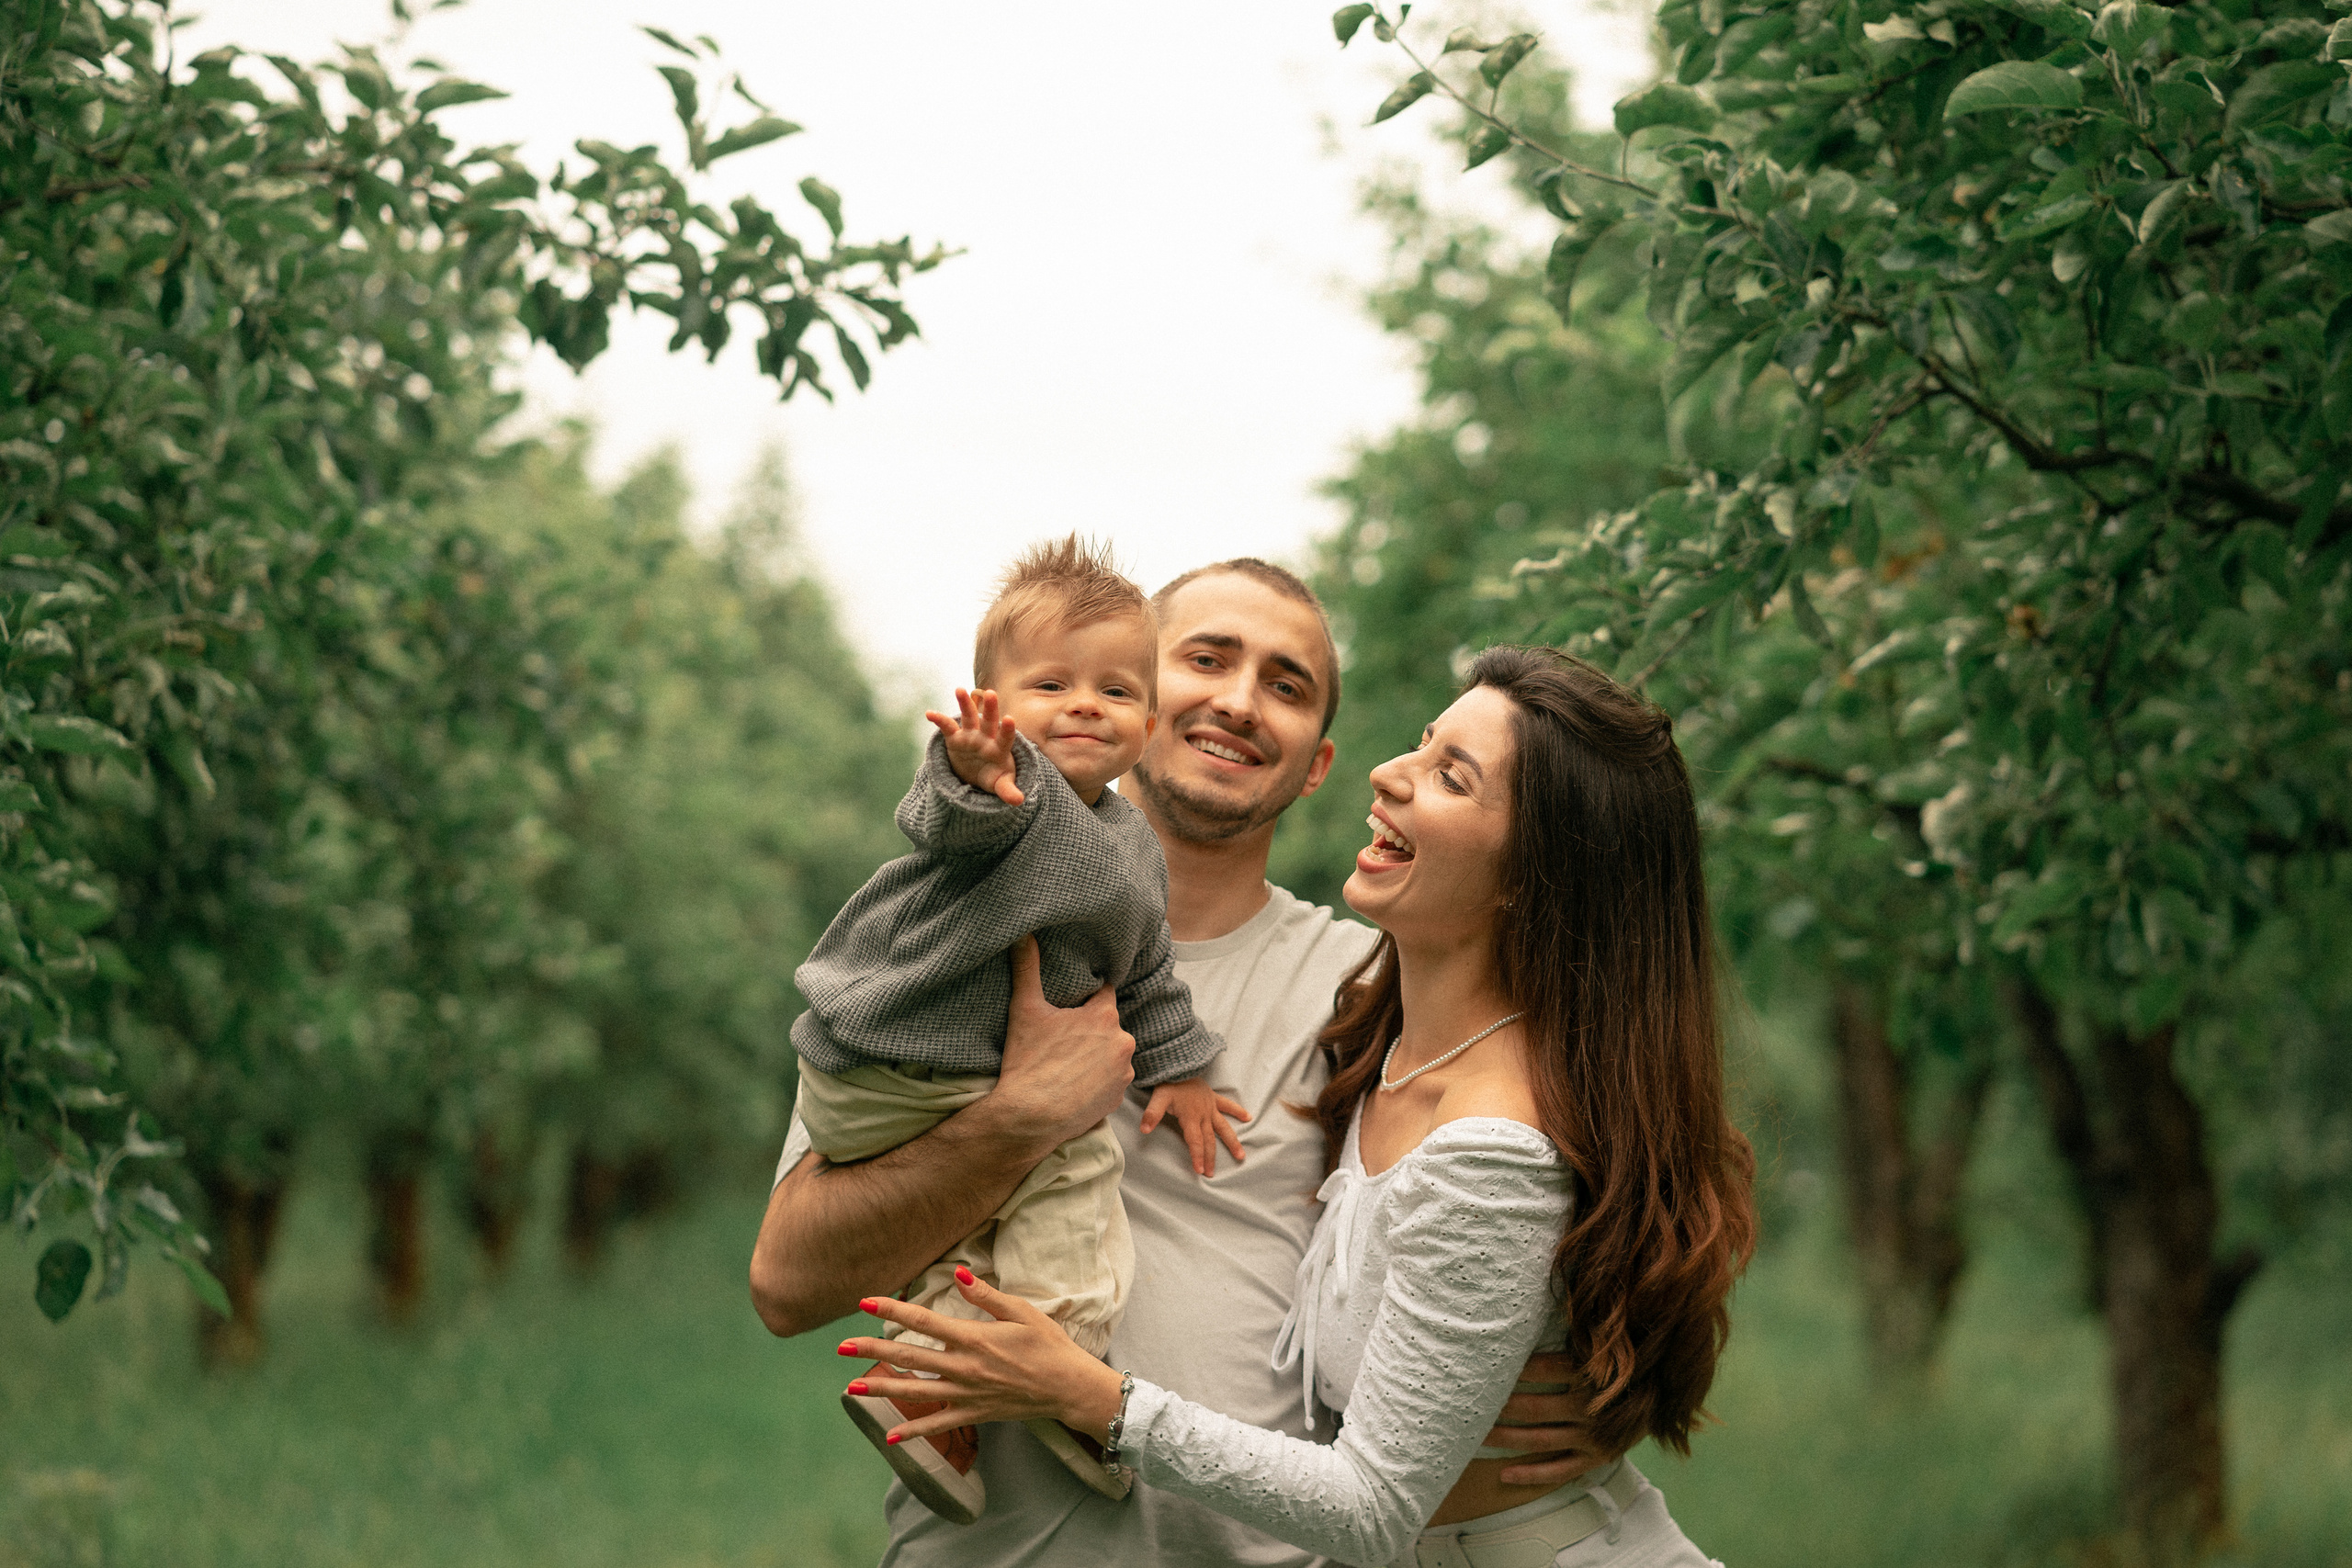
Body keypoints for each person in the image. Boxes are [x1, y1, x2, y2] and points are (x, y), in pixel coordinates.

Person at [752, 564, 1610, 1567]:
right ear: (1134, 698)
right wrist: (1021, 1117)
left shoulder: (1373, 988)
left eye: (1285, 686)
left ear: (1317, 762)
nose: (1240, 701)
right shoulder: (954, 934)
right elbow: (787, 1280)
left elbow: (1558, 1191)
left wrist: (1621, 1388)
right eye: (1205, 660)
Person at [794, 536, 1247, 1518]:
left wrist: (1184, 1069)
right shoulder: (1014, 794)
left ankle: (939, 1385)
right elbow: (949, 825)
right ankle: (1062, 1378)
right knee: (1076, 1183)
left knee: (982, 1225)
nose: (1086, 704)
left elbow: (1149, 973)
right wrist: (970, 770)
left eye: (1117, 691)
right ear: (988, 702)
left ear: (1150, 721)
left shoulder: (1130, 845)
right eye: (1050, 683)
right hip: (914, 1066)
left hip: (884, 1074)